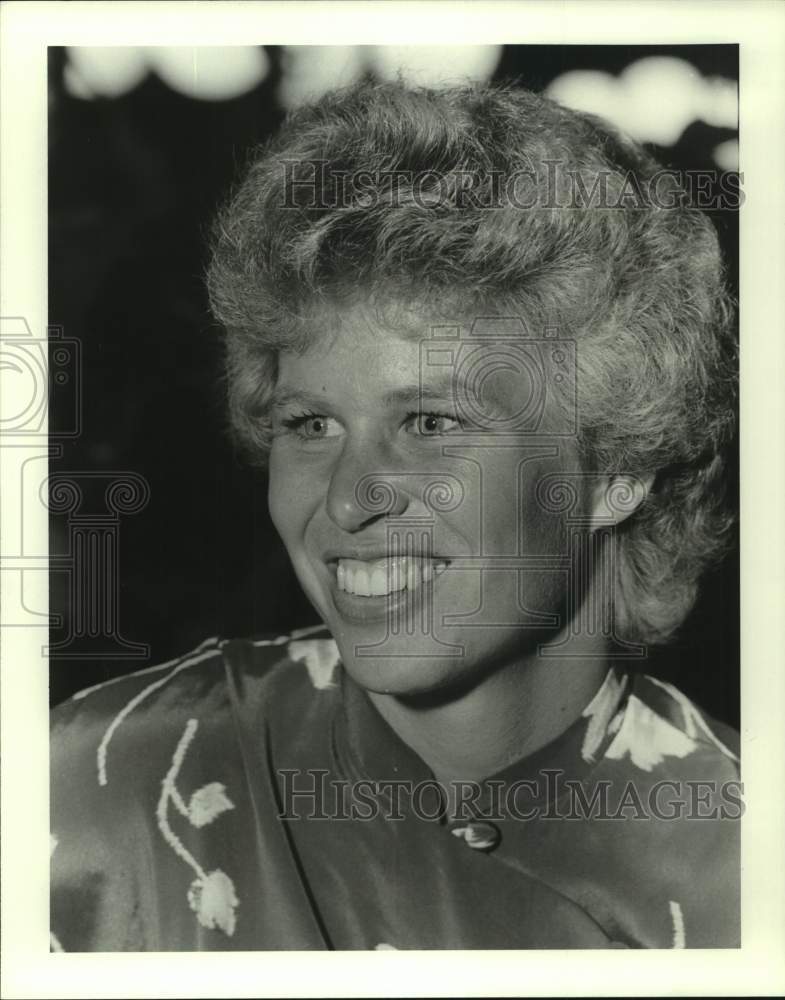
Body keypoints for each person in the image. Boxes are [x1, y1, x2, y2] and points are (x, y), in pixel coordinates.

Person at [50, 80, 740, 951]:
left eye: (431, 423)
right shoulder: (105, 784)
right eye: (311, 425)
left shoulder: (742, 866)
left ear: (615, 469)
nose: (347, 498)